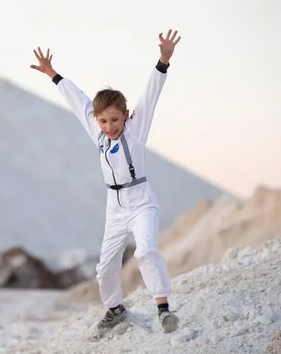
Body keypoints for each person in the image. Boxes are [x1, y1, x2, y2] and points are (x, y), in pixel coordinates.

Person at [29, 29, 182, 334]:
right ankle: (115, 310)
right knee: (104, 268)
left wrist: (163, 60)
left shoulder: (135, 131)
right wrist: (53, 74)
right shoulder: (97, 131)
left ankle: (163, 310)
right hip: (115, 206)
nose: (110, 126)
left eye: (115, 119)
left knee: (145, 251)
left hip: (141, 202)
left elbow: (149, 96)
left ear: (126, 116)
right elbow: (79, 101)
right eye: (103, 121)